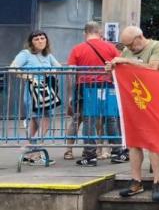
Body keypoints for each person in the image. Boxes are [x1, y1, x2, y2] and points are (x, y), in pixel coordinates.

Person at [109, 26, 159, 200]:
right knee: (134, 142)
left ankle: (158, 182)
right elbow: (123, 70)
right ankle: (136, 181)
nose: (129, 48)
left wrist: (126, 62)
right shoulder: (127, 51)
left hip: (155, 100)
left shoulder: (157, 46)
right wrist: (113, 68)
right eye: (126, 45)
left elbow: (153, 67)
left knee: (154, 142)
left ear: (139, 37)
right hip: (134, 101)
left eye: (130, 44)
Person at [66, 22, 122, 166]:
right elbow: (120, 65)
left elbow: (71, 73)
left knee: (89, 119)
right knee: (111, 118)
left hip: (86, 87)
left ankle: (90, 155)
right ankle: (118, 152)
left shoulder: (77, 49)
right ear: (100, 32)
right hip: (108, 87)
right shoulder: (111, 47)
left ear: (85, 33)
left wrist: (71, 95)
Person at [11, 30, 61, 166]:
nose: (40, 41)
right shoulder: (25, 54)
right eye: (37, 39)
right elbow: (13, 68)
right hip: (32, 91)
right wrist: (30, 77)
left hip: (46, 91)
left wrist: (51, 72)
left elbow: (60, 68)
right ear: (31, 42)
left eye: (42, 38)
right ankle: (36, 153)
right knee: (42, 120)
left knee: (35, 121)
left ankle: (29, 151)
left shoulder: (48, 55)